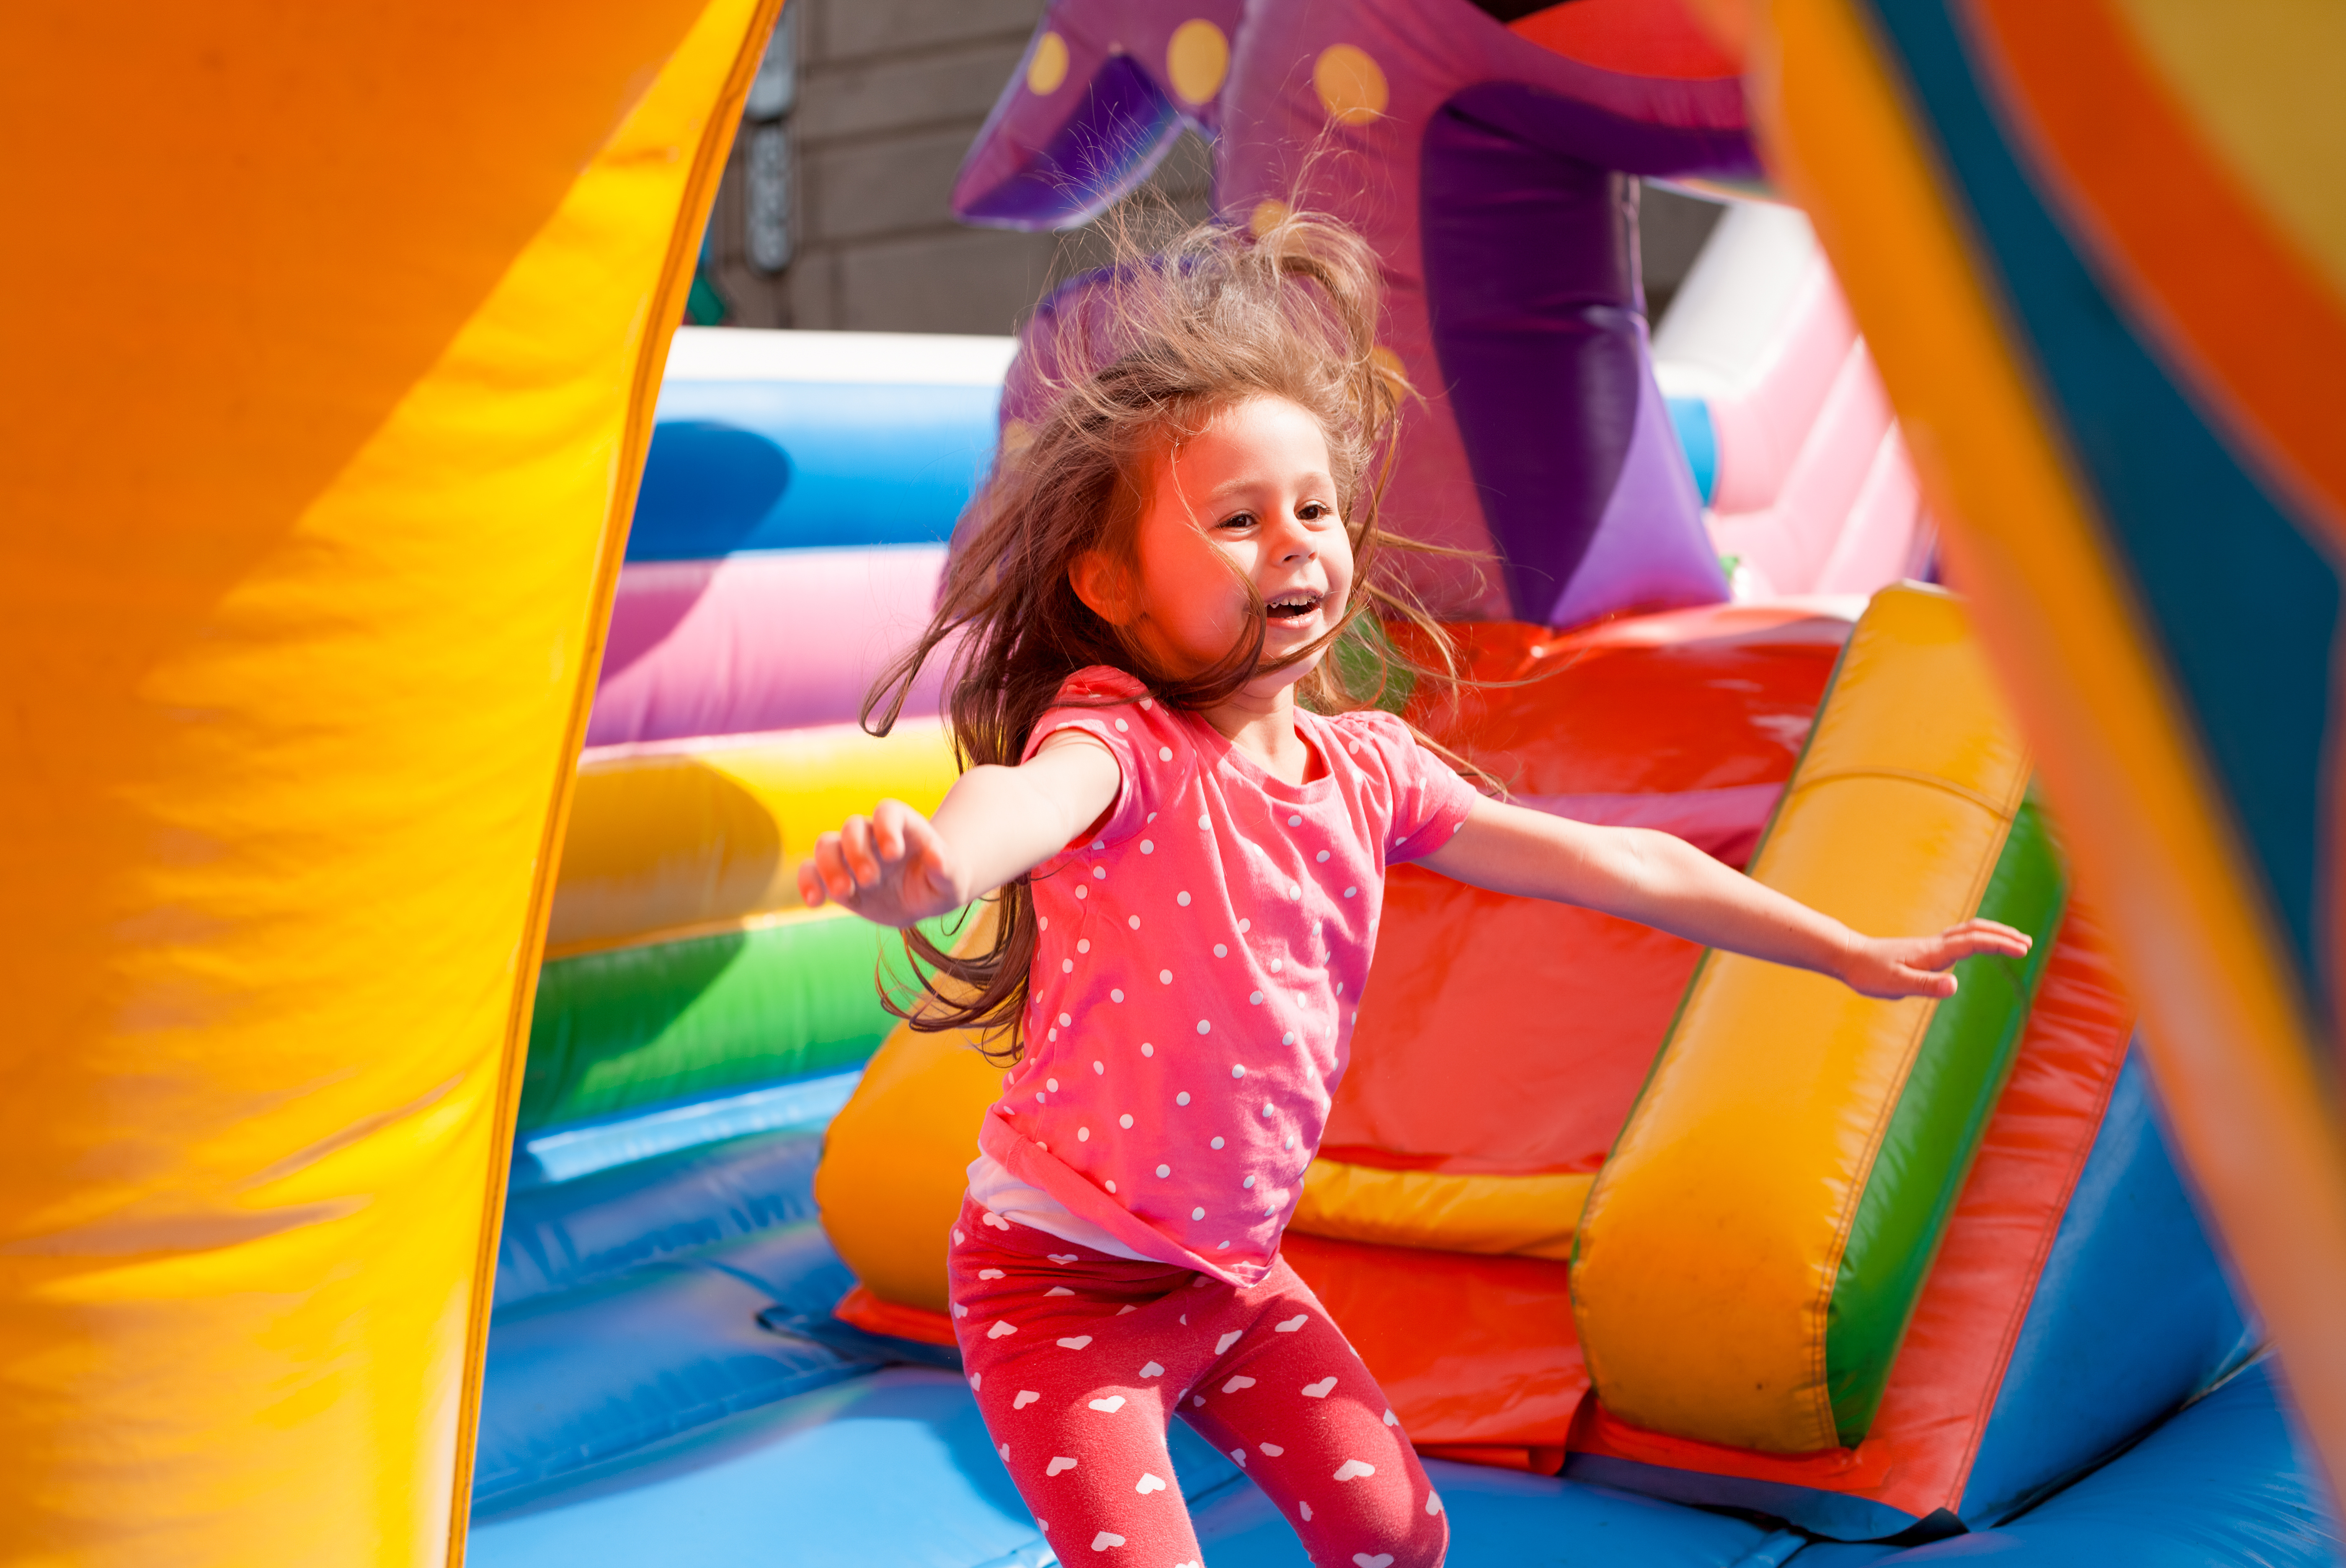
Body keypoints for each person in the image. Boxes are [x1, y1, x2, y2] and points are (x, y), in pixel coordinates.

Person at [797, 210, 2028, 1568]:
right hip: (1060, 1286)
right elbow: (1022, 807)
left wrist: (1838, 945)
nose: (1294, 545)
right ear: (1112, 589)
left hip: (1234, 1280)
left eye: (1313, 509)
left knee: (1399, 1535)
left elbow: (1615, 861)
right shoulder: (1121, 743)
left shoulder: (1373, 771)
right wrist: (935, 868)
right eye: (1236, 519)